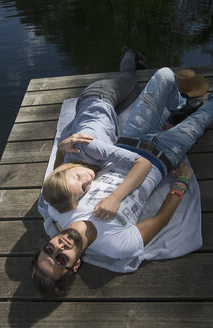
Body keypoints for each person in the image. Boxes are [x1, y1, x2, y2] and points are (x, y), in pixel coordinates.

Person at [32, 50, 212, 297]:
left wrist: (62, 151)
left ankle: (179, 106)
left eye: (49, 250)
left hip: (130, 139)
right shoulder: (117, 246)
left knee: (165, 75)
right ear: (75, 265)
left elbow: (57, 177)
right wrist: (181, 181)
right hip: (164, 155)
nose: (58, 248)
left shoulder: (59, 211)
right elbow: (160, 220)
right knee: (206, 116)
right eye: (61, 260)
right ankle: (186, 113)